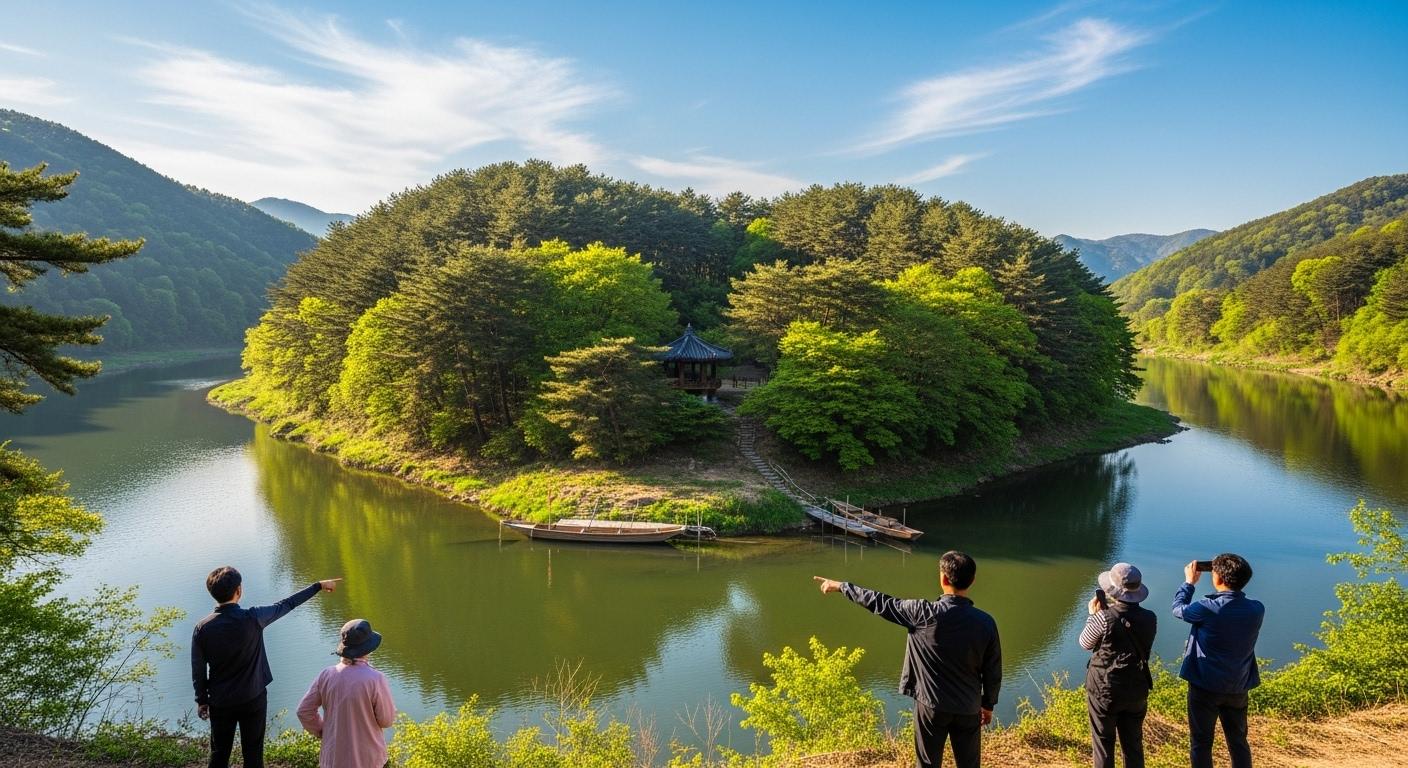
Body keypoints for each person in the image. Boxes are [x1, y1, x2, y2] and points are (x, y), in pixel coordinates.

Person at [814, 550, 1001, 768]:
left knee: (928, 764)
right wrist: (988, 705)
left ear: (942, 578)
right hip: (968, 706)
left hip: (931, 707)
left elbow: (879, 602)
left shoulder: (921, 613)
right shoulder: (986, 623)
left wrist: (841, 586)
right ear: (973, 580)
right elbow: (993, 670)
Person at [192, 567, 341, 768]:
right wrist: (318, 586)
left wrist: (202, 700)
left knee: (219, 755)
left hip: (220, 701)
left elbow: (198, 669)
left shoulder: (203, 628)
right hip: (253, 698)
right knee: (253, 755)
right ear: (239, 591)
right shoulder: (254, 618)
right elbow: (287, 604)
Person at [1172, 553, 1264, 768]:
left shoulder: (1206, 607)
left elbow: (1178, 609)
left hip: (1205, 685)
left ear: (1219, 579)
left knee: (1201, 743)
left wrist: (1189, 583)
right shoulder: (1257, 609)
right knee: (1238, 741)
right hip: (1238, 685)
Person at [1079, 562, 1157, 768]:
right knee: (1133, 745)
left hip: (1105, 691)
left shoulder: (1103, 618)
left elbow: (1085, 643)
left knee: (1103, 744)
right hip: (1137, 689)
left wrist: (1093, 616)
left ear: (1110, 590)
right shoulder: (1150, 618)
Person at [297, 619, 397, 768]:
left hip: (333, 759)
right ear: (368, 648)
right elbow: (386, 721)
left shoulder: (326, 675)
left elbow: (303, 711)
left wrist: (323, 731)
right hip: (369, 760)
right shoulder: (375, 679)